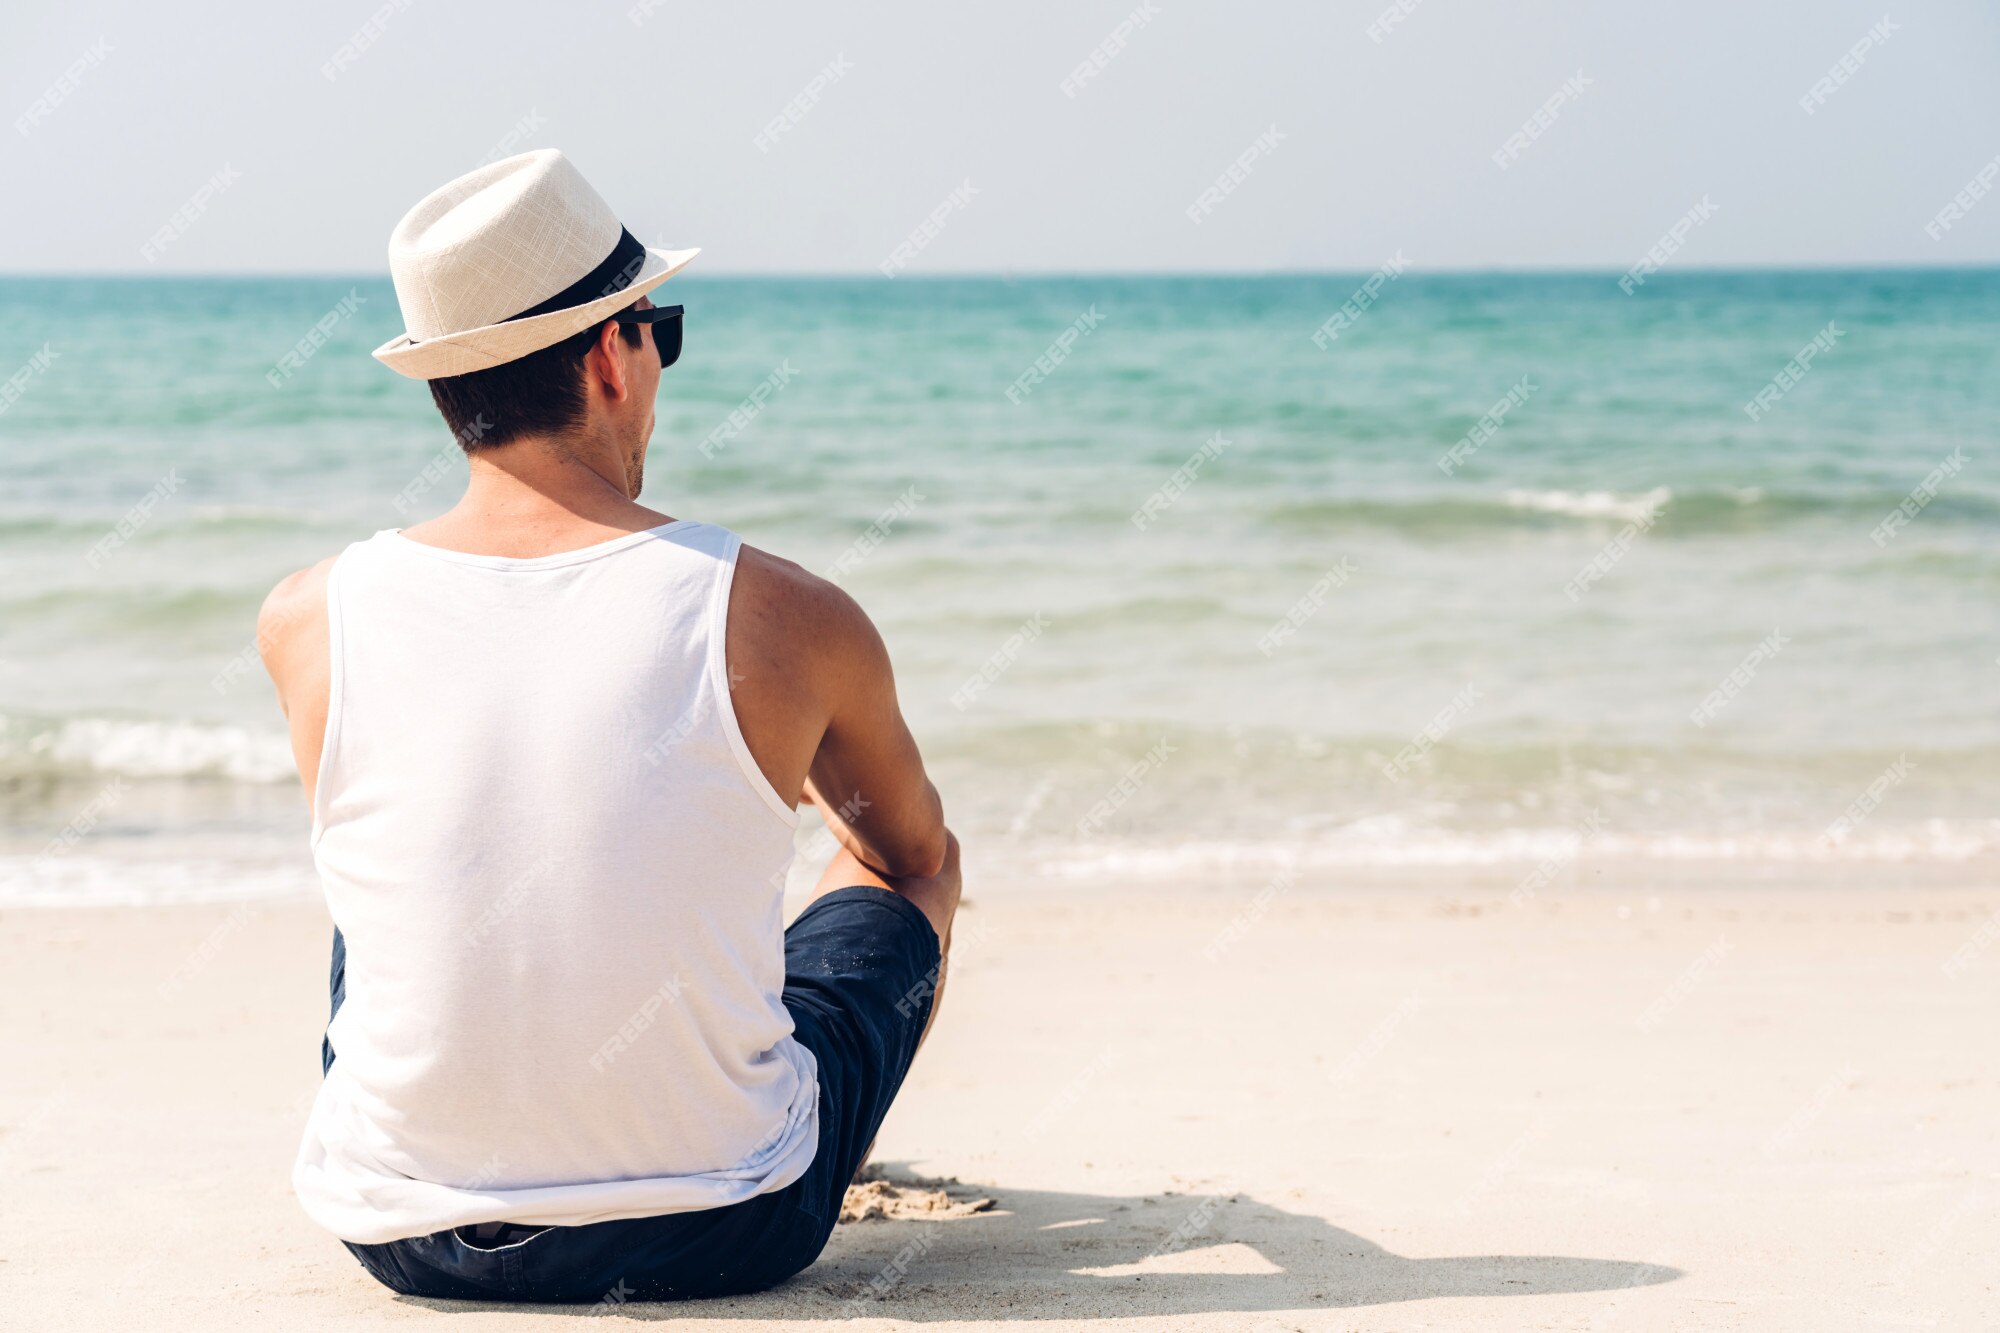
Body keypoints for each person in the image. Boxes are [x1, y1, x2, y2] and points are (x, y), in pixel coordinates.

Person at [258, 149, 960, 1303]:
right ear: (609, 359)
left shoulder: (306, 616)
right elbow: (910, 854)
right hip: (729, 1226)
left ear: (449, 390)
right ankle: (802, 1140)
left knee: (381, 899)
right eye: (658, 328)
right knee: (915, 873)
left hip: (402, 1234)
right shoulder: (783, 612)